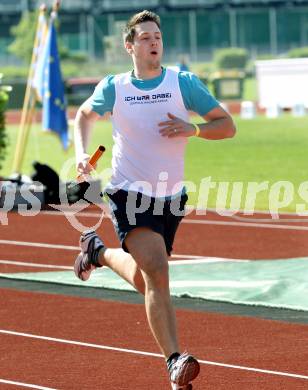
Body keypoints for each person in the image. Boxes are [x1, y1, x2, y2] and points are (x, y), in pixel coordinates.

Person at [73, 10, 236, 390]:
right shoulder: (115, 87)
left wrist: (193, 129)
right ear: (130, 46)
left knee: (149, 278)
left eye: (157, 37)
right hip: (128, 192)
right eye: (145, 37)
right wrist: (82, 153)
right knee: (157, 270)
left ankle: (97, 252)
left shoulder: (184, 83)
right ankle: (175, 363)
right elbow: (84, 114)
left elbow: (226, 126)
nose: (153, 43)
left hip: (170, 198)